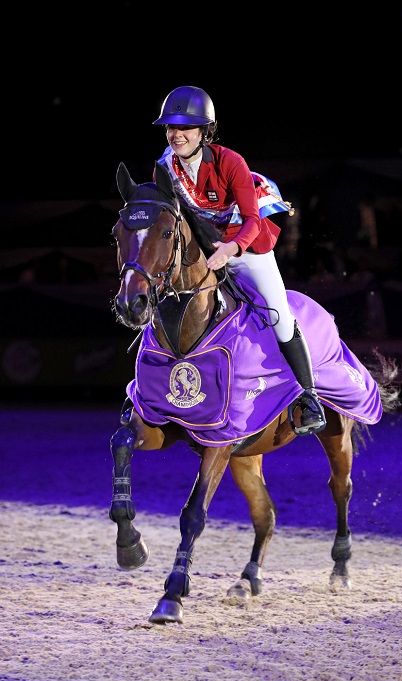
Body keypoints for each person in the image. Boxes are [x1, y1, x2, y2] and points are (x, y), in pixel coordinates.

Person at [152, 85, 326, 435]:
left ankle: (309, 397)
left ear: (205, 131)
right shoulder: (164, 167)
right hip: (203, 246)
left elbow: (251, 219)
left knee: (278, 314)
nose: (176, 134)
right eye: (171, 127)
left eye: (185, 127)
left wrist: (230, 251)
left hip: (247, 243)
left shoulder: (231, 162)